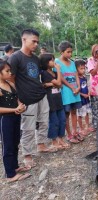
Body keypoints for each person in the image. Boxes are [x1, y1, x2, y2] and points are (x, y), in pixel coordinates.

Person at [8, 29, 54, 169]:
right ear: (24, 39)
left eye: (37, 42)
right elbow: (10, 80)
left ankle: (41, 144)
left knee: (44, 122)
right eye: (33, 41)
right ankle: (27, 154)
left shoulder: (35, 58)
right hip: (26, 99)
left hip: (41, 95)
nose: (36, 44)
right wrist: (17, 100)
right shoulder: (15, 58)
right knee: (28, 128)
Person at [0, 59, 31, 182]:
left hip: (15, 117)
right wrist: (14, 110)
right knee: (7, 145)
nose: (10, 73)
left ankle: (15, 166)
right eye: (7, 71)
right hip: (5, 120)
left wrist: (20, 107)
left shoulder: (10, 84)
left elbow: (17, 99)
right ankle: (10, 174)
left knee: (15, 142)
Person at [40, 53, 70, 150]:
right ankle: (54, 141)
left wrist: (50, 84)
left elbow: (60, 84)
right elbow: (57, 82)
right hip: (50, 100)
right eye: (52, 60)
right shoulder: (45, 73)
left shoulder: (55, 73)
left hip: (58, 99)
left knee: (62, 119)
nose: (54, 62)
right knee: (54, 121)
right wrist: (57, 70)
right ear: (46, 62)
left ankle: (60, 138)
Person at [55, 41, 83, 144]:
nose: (70, 54)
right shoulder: (57, 62)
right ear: (62, 52)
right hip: (66, 92)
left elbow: (76, 75)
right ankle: (69, 134)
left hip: (75, 92)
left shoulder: (72, 62)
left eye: (71, 52)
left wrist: (78, 87)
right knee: (66, 114)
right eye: (68, 52)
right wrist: (72, 87)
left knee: (74, 111)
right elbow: (61, 78)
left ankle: (75, 132)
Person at [75, 59, 93, 135]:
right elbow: (77, 90)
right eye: (81, 69)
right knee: (80, 115)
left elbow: (87, 86)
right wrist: (83, 95)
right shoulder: (76, 79)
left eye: (84, 68)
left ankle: (87, 126)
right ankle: (81, 128)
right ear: (76, 69)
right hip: (80, 99)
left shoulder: (84, 77)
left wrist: (89, 92)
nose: (83, 70)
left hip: (86, 99)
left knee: (87, 113)